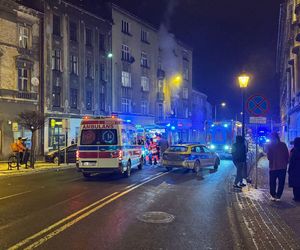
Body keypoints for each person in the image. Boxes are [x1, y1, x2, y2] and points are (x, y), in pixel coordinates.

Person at [267, 132, 289, 201]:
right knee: (275, 182)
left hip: (277, 167)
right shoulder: (282, 145)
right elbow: (287, 155)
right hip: (278, 167)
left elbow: (269, 156)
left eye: (273, 138)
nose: (272, 139)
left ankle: (277, 196)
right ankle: (275, 195)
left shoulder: (272, 145)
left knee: (276, 182)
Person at [288, 137, 300, 202]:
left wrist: (289, 170)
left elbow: (291, 161)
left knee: (295, 185)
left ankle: (296, 197)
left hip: (295, 170)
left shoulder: (294, 151)